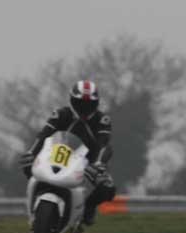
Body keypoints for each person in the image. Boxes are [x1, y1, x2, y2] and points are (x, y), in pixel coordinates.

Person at [18, 80, 116, 225]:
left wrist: (99, 163)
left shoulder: (102, 120)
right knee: (27, 164)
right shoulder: (60, 114)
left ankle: (88, 209)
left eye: (89, 104)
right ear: (72, 100)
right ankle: (37, 201)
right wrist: (32, 152)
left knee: (107, 188)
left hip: (87, 161)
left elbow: (103, 143)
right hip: (56, 155)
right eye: (80, 103)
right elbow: (44, 134)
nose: (84, 108)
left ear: (96, 103)